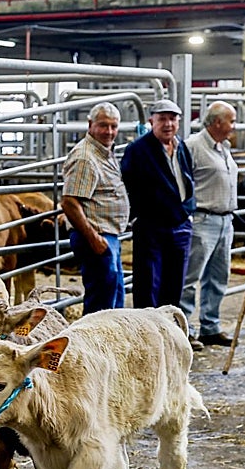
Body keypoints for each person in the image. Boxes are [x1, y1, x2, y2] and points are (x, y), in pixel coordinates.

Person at [121, 98, 196, 308]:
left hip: (180, 225)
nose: (168, 124)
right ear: (152, 121)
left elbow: (188, 177)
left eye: (172, 119)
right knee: (148, 283)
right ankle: (146, 334)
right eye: (162, 119)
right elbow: (129, 184)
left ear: (179, 122)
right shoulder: (138, 150)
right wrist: (139, 215)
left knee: (174, 285)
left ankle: (169, 330)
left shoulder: (181, 147)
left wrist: (188, 212)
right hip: (151, 226)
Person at [179, 101, 239, 350]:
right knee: (191, 277)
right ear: (217, 122)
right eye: (231, 121)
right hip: (203, 218)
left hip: (226, 218)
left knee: (218, 275)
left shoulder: (223, 147)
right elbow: (182, 181)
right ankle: (185, 330)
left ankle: (210, 326)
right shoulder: (193, 146)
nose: (234, 126)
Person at [61, 102, 130, 313]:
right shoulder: (85, 157)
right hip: (96, 237)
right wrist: (94, 238)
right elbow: (69, 202)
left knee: (114, 294)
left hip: (108, 235)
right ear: (90, 125)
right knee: (102, 300)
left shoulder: (105, 153)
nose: (109, 131)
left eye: (113, 126)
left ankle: (111, 342)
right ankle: (96, 341)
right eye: (103, 125)